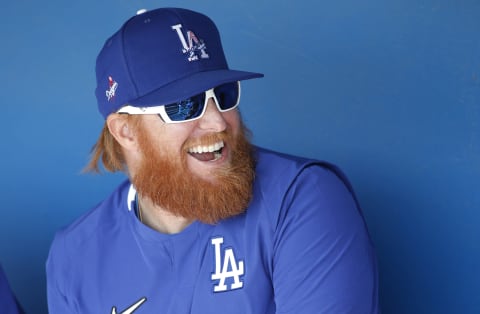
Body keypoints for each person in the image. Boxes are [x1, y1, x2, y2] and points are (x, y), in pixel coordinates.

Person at [46, 7, 380, 313]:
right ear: (125, 130)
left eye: (223, 95)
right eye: (183, 105)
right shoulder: (74, 255)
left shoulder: (301, 198)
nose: (218, 122)